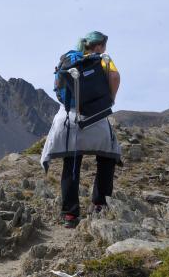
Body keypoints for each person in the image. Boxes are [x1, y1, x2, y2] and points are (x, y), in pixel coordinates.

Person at [40, 31, 122, 228]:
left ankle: (70, 215)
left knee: (71, 163)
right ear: (99, 46)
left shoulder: (68, 60)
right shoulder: (101, 59)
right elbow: (115, 76)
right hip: (96, 118)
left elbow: (58, 88)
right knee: (107, 157)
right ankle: (99, 204)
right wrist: (109, 100)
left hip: (68, 119)